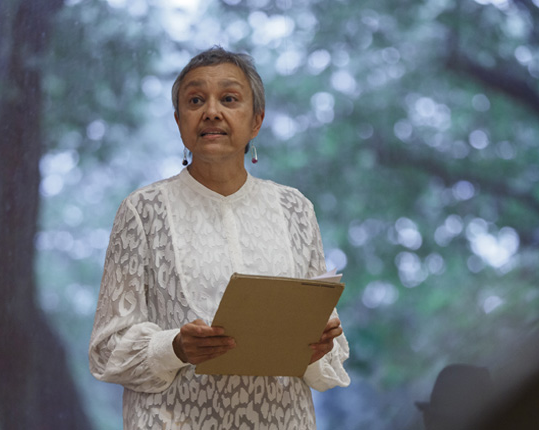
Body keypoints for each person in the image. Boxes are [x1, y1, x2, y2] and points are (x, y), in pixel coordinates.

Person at [89, 46, 350, 429]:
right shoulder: (142, 210)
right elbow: (106, 350)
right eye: (195, 100)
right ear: (179, 121)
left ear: (256, 120)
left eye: (229, 98)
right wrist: (175, 347)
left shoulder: (295, 207)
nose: (212, 111)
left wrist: (318, 346)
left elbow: (327, 343)